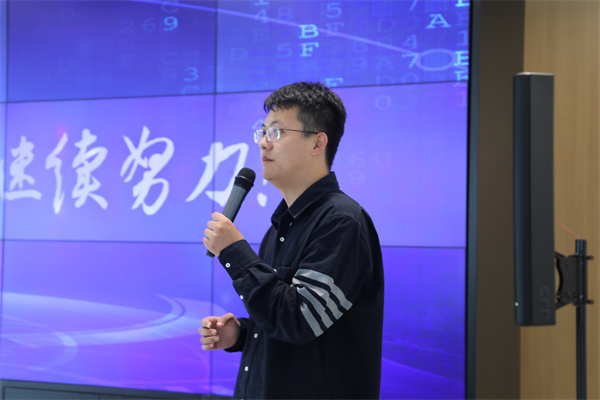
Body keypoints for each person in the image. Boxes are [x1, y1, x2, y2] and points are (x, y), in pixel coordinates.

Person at [199, 82, 384, 399]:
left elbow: (300, 320)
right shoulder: (280, 226)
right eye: (262, 133)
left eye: (276, 132)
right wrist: (243, 334)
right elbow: (285, 316)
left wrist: (235, 252)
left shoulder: (341, 221)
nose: (263, 143)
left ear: (317, 143)